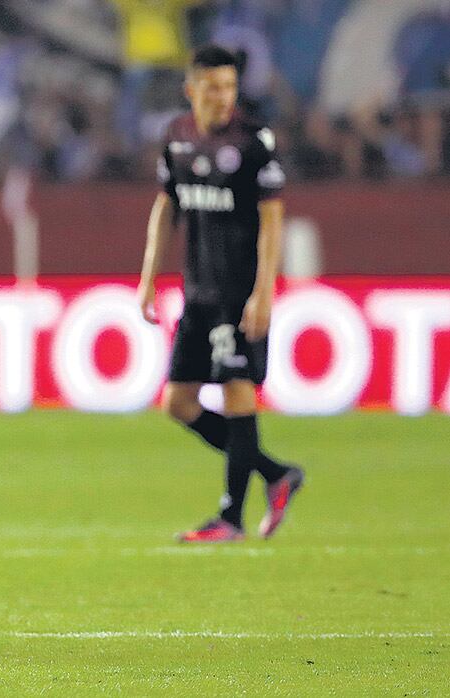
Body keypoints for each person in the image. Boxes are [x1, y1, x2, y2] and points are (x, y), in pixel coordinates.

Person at [136, 44, 304, 543]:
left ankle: (231, 518)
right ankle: (275, 473)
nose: (224, 96)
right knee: (177, 402)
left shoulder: (254, 142)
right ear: (191, 90)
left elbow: (272, 220)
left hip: (238, 290)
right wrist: (148, 277)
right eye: (213, 87)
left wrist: (263, 293)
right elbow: (166, 207)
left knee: (236, 390)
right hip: (199, 292)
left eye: (230, 86)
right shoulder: (177, 137)